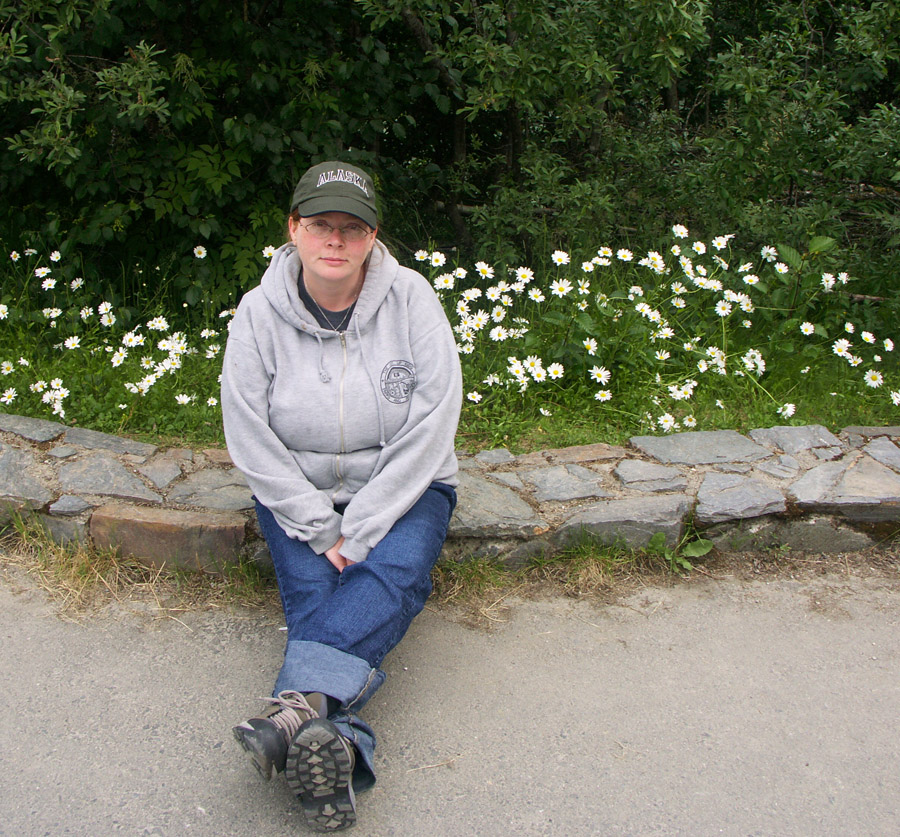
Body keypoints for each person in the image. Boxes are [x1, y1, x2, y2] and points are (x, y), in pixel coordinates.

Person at [220, 160, 462, 832]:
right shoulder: (257, 314)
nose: (335, 238)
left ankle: (289, 715)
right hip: (299, 493)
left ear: (372, 236)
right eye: (320, 224)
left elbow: (433, 420)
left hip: (408, 488)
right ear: (293, 228)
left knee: (392, 569)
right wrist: (320, 527)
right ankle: (339, 741)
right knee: (317, 594)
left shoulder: (411, 299)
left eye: (351, 227)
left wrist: (365, 529)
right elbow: (248, 433)